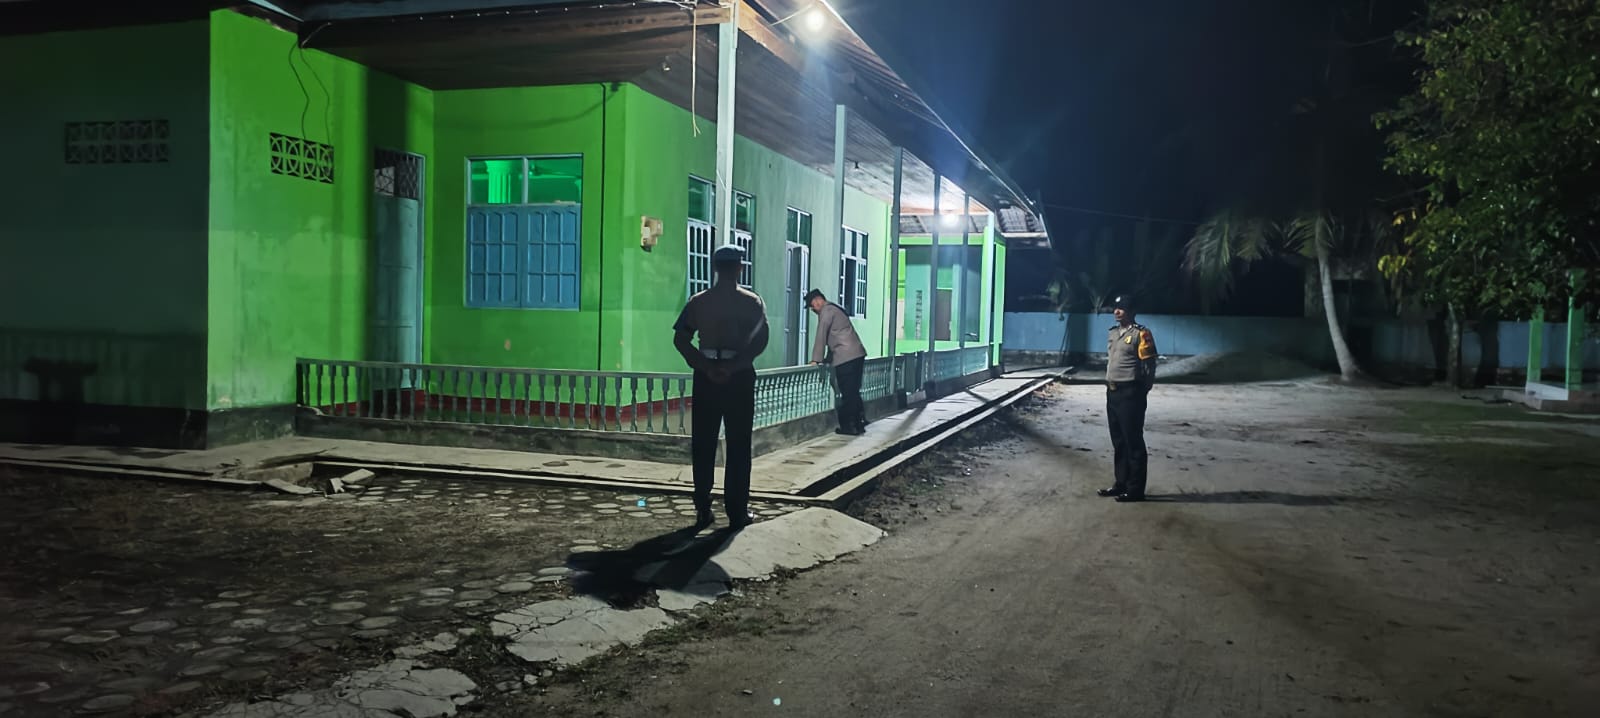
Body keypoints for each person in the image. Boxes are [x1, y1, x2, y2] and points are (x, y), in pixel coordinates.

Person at [673, 244, 769, 529]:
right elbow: (760, 341)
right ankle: (737, 512)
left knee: (703, 444)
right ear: (740, 268)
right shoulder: (752, 302)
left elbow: (681, 339)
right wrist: (734, 365)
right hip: (738, 378)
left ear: (715, 268)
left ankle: (703, 508)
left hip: (706, 378)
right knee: (738, 445)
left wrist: (705, 366)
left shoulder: (698, 302)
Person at [1098, 294, 1158, 502]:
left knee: (1133, 442)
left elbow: (1149, 365)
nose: (1116, 311)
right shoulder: (1113, 333)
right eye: (1115, 308)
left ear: (1131, 311)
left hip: (1130, 393)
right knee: (1119, 441)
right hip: (1112, 392)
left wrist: (1143, 389)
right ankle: (1121, 483)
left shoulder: (1141, 333)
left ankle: (1135, 490)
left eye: (1122, 308)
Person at [805, 288, 868, 435]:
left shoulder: (826, 312)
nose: (813, 310)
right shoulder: (835, 309)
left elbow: (821, 335)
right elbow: (832, 338)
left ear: (818, 301)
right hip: (857, 354)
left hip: (845, 357)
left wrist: (816, 359)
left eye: (812, 306)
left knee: (847, 393)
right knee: (854, 391)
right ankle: (859, 424)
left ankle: (849, 427)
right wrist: (827, 359)